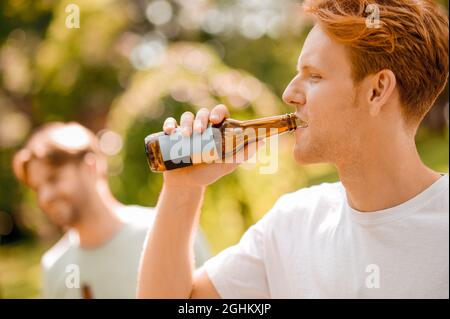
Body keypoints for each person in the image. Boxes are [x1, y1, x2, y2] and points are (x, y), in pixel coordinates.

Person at [137, 0, 449, 299]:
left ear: (377, 90)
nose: (289, 93)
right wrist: (184, 187)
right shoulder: (292, 225)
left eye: (314, 76)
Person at [12, 122, 210, 298]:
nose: (45, 197)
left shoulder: (173, 229)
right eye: (37, 188)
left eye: (53, 179)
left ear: (90, 167)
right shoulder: (54, 267)